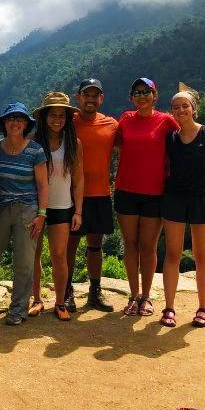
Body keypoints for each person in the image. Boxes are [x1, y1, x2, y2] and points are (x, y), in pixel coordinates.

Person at [160, 85, 205, 328]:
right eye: (176, 107)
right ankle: (169, 308)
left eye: (185, 105)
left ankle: (203, 308)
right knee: (173, 254)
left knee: (202, 256)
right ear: (172, 111)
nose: (180, 110)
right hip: (175, 198)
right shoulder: (170, 138)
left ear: (194, 109)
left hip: (202, 201)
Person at [115, 77, 179, 317]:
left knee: (148, 246)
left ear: (155, 95)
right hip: (126, 190)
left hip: (155, 192)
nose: (141, 96)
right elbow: (118, 144)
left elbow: (189, 135)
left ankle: (147, 296)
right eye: (137, 92)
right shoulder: (126, 119)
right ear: (132, 97)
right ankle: (133, 295)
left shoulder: (166, 120)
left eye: (146, 92)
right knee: (130, 245)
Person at [0, 102, 49, 326]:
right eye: (11, 118)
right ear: (4, 123)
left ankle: (18, 309)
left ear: (26, 125)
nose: (15, 123)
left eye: (20, 119)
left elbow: (43, 185)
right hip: (0, 210)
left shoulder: (35, 150)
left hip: (27, 210)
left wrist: (42, 214)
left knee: (24, 262)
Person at [30, 92, 84, 321]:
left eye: (61, 115)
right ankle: (36, 299)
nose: (57, 120)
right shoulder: (33, 143)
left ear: (67, 118)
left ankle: (60, 302)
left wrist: (78, 211)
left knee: (59, 255)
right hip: (35, 205)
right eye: (52, 115)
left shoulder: (74, 143)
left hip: (62, 205)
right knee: (34, 254)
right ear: (44, 117)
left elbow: (79, 179)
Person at [68, 79, 117, 313]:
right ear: (78, 98)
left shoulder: (112, 124)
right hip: (71, 195)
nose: (90, 99)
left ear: (101, 98)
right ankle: (66, 292)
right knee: (70, 245)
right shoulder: (68, 123)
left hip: (100, 193)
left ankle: (94, 291)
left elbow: (139, 141)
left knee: (95, 246)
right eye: (86, 94)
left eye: (94, 95)